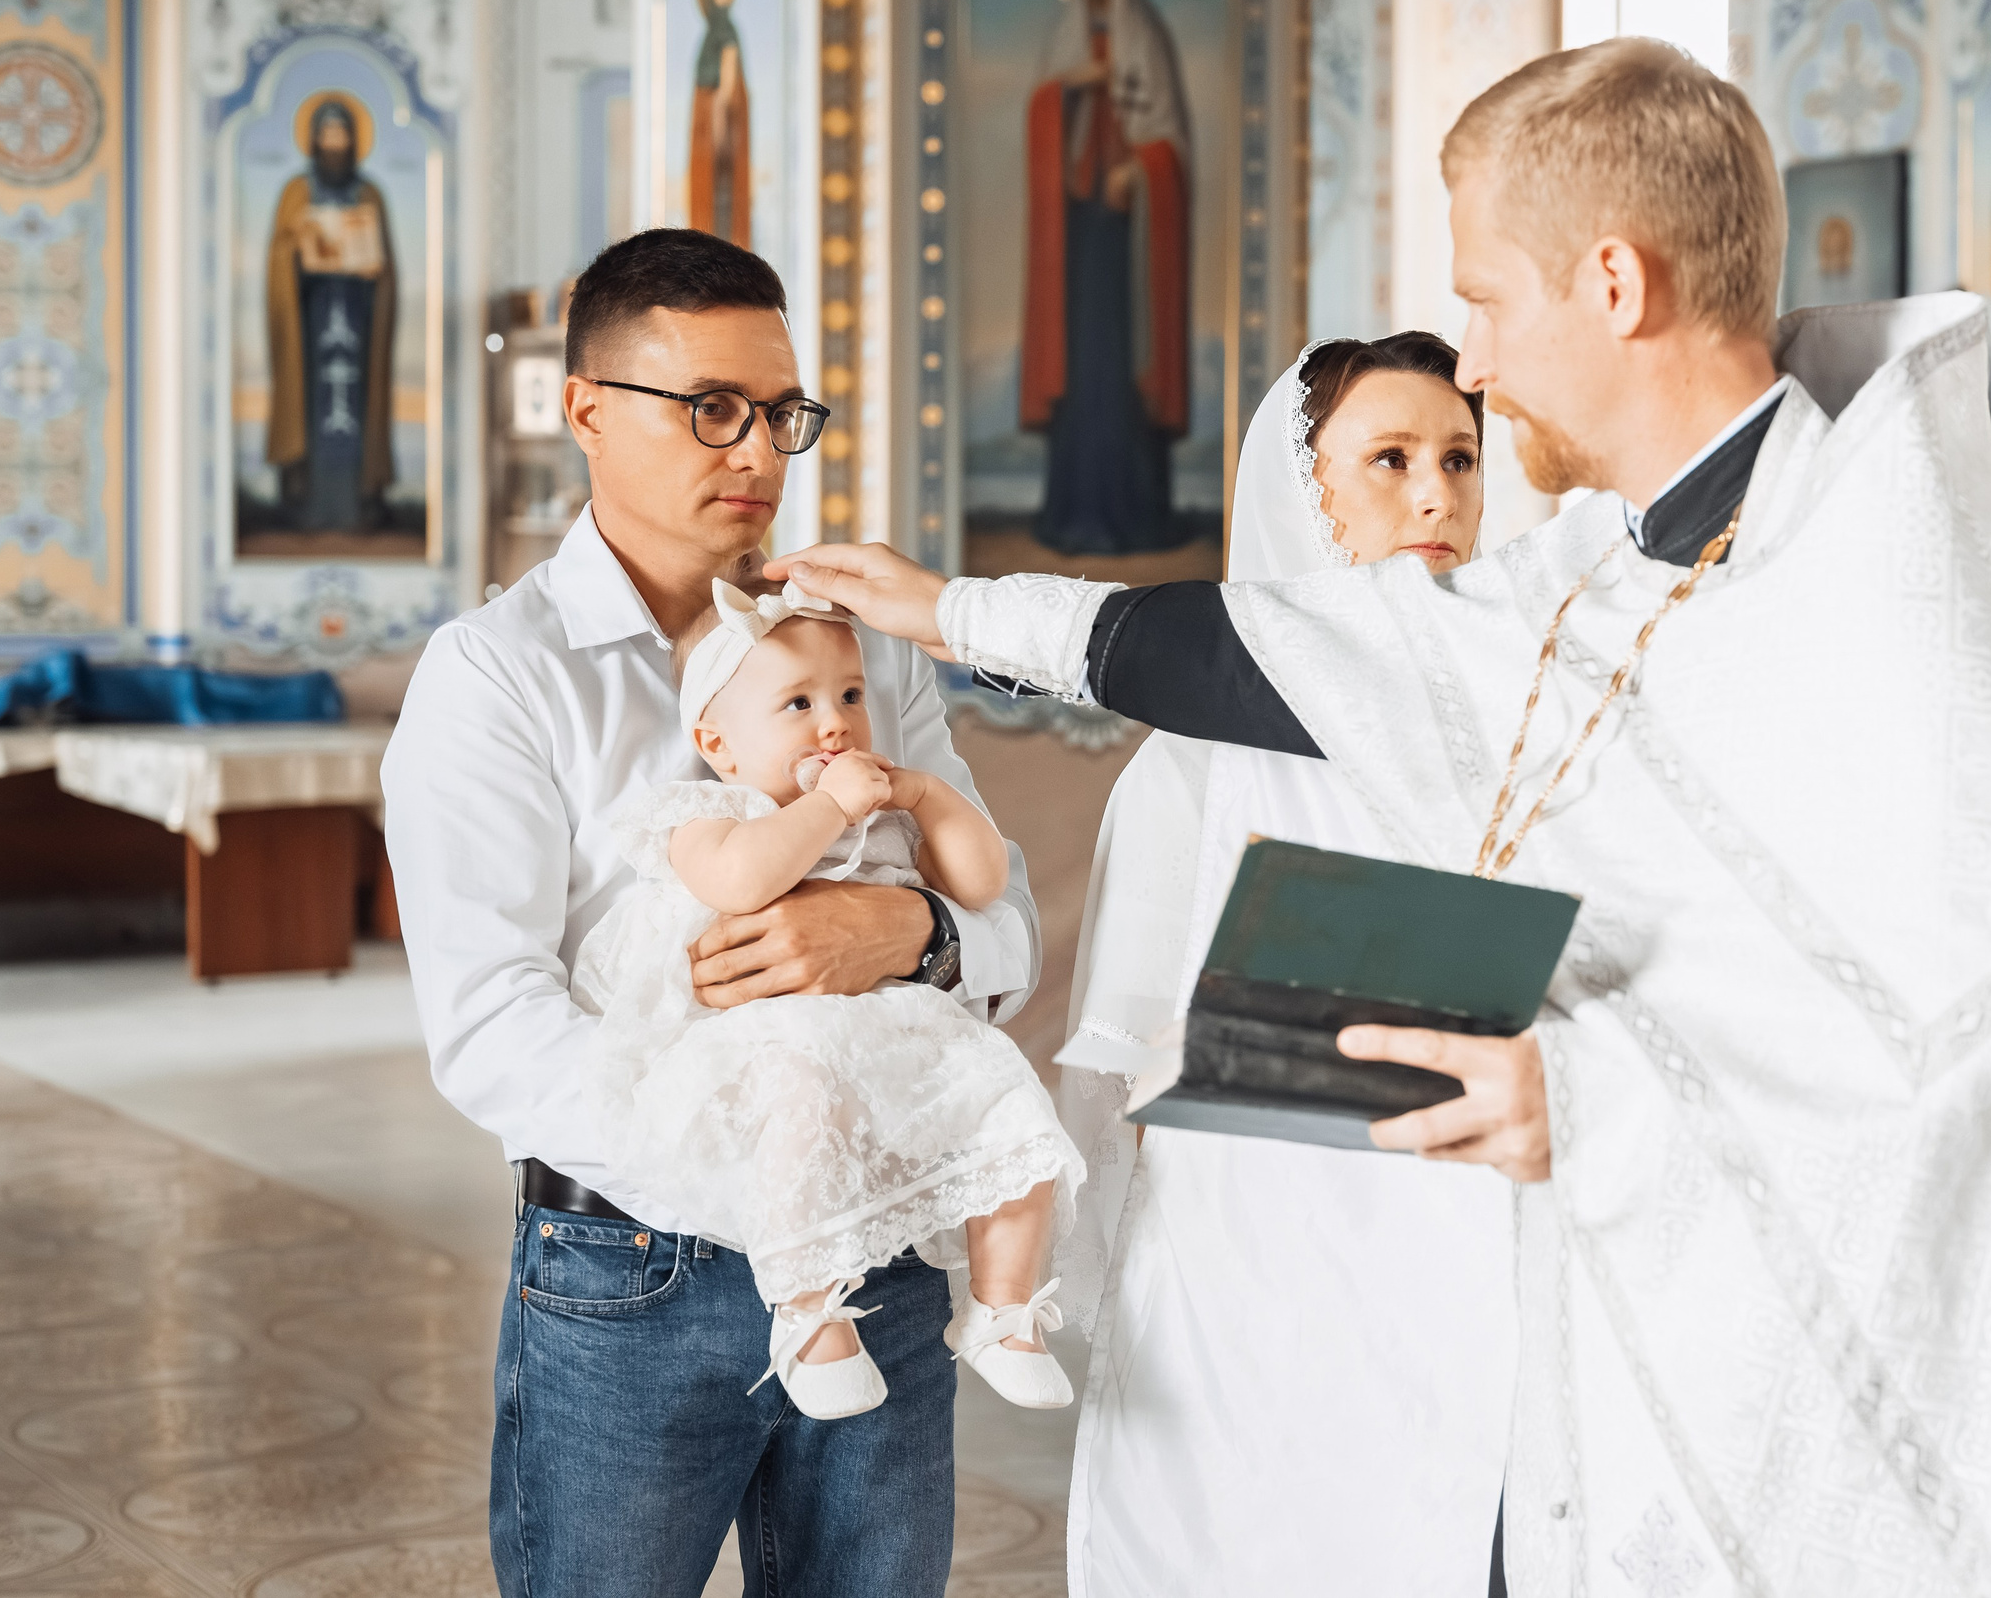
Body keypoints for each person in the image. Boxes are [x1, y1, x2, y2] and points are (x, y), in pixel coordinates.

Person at [779, 39, 1991, 1595]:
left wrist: (1604, 1103)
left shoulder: (1874, 569)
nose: (1471, 356)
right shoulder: (1628, 555)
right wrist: (958, 611)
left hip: (1842, 1393)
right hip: (1603, 1331)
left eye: (1487, 297)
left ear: (1611, 282)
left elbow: (1987, 1030)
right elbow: (1320, 651)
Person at [381, 227, 1039, 1598]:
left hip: (879, 1245)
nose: (759, 453)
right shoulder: (499, 675)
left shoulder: (847, 650)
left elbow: (1008, 920)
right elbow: (493, 1026)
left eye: (782, 412)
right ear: (584, 409)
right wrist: (749, 1177)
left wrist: (911, 938)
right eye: (712, 410)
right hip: (634, 1265)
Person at [1053, 331, 1522, 1596]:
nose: (1436, 494)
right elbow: (1126, 1074)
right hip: (1258, 1247)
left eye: (1459, 458)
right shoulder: (1190, 767)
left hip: (1471, 1230)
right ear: (1299, 492)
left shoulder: (1520, 735)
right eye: (1389, 459)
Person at [576, 578, 1081, 1422]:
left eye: (849, 695)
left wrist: (927, 798)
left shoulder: (883, 811)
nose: (835, 722)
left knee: (1006, 1095)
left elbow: (983, 885)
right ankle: (810, 1318)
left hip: (896, 1026)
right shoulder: (711, 813)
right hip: (768, 1039)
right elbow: (744, 881)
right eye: (798, 703)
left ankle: (1002, 1309)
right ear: (719, 743)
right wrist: (826, 807)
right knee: (803, 1116)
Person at [1020, 0, 1191, 555]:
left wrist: (1138, 170)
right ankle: (1076, 513)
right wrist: (1069, 87)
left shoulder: (1143, 36)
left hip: (1131, 234)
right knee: (1083, 363)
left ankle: (1134, 514)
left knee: (1122, 367)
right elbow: (1043, 117)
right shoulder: (1068, 39)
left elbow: (1169, 138)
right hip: (1079, 227)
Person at [264, 95, 396, 534]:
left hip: (357, 315)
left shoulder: (369, 192)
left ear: (353, 140)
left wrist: (372, 268)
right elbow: (279, 256)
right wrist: (301, 246)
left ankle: (357, 508)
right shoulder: (297, 192)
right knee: (312, 409)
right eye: (327, 133)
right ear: (314, 139)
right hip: (311, 318)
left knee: (354, 408)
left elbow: (387, 264)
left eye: (342, 134)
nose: (334, 142)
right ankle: (307, 507)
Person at [690, 0, 751, 248]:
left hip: (724, 151)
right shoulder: (711, 36)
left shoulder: (729, 36)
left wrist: (723, 99)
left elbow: (731, 101)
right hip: (705, 149)